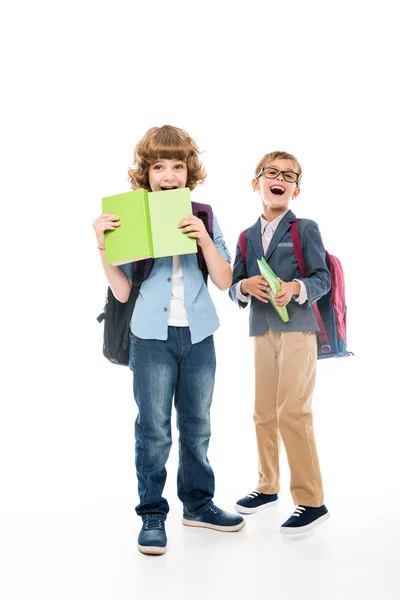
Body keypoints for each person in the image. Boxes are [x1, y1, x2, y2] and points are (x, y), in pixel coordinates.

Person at [93, 125, 245, 555]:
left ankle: (198, 505)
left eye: (177, 166)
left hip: (199, 337)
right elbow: (122, 292)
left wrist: (201, 236)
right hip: (150, 338)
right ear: (146, 173)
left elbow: (223, 280)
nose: (169, 175)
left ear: (188, 172)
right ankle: (152, 514)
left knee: (197, 427)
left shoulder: (205, 214)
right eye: (159, 166)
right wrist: (103, 247)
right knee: (154, 430)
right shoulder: (131, 217)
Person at [229, 151, 331, 534]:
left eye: (288, 175)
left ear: (296, 189)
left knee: (293, 412)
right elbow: (234, 286)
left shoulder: (305, 228)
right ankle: (267, 486)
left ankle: (310, 500)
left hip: (298, 330)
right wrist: (243, 286)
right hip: (262, 330)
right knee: (263, 412)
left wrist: (295, 287)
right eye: (272, 172)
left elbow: (323, 278)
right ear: (256, 183)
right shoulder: (246, 236)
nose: (280, 178)